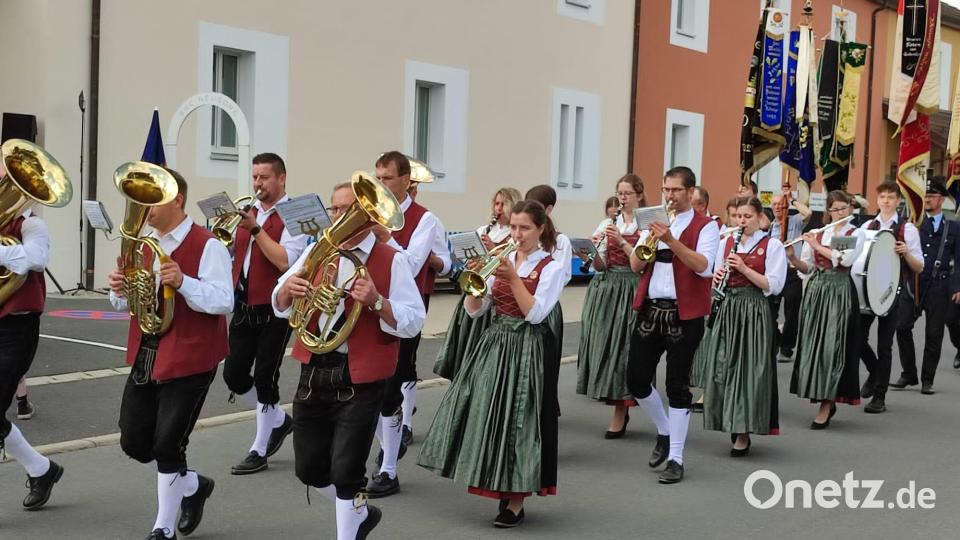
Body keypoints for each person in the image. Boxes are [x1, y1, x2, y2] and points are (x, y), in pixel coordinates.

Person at [273, 181, 424, 540]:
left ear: (369, 216)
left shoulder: (391, 259)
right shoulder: (317, 250)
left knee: (346, 471)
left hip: (360, 375)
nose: (338, 217)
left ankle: (348, 525)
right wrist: (288, 292)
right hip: (314, 368)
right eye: (335, 209)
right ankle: (360, 513)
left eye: (346, 210)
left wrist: (377, 301)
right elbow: (279, 301)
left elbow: (414, 320)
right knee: (309, 468)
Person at [418, 200, 566, 528]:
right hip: (495, 344)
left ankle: (515, 501)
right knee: (489, 415)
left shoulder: (552, 267)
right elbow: (475, 310)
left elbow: (535, 314)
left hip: (528, 348)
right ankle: (495, 479)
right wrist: (476, 279)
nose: (517, 234)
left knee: (520, 422)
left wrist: (512, 278)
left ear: (541, 229)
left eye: (525, 228)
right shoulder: (502, 259)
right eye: (513, 227)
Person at [108, 168, 233, 540]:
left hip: (191, 355)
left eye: (153, 200)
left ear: (177, 199)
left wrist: (183, 282)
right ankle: (192, 486)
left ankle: (162, 528)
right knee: (133, 441)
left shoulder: (207, 244)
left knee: (167, 444)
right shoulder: (144, 244)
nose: (144, 209)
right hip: (148, 350)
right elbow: (126, 305)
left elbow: (223, 300)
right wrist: (119, 289)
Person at [627, 166, 719, 484]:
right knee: (636, 379)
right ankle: (665, 430)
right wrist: (651, 238)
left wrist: (671, 240)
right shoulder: (654, 219)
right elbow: (635, 264)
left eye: (676, 190)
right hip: (651, 310)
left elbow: (704, 267)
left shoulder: (706, 226)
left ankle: (676, 458)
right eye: (666, 189)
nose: (670, 195)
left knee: (677, 386)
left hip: (685, 314)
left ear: (690, 192)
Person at [367, 151, 448, 497]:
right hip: (368, 302)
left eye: (386, 178)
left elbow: (414, 264)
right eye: (378, 177)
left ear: (405, 180)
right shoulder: (369, 209)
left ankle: (388, 469)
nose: (380, 184)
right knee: (368, 385)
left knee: (391, 386)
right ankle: (390, 441)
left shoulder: (425, 219)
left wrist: (384, 236)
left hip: (404, 306)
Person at [223, 153, 308, 475]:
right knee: (233, 374)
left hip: (276, 306)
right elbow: (235, 253)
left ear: (281, 178)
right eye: (255, 177)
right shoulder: (248, 211)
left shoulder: (294, 214)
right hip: (244, 303)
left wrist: (256, 229)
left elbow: (285, 261)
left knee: (265, 376)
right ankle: (279, 420)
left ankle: (259, 449)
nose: (258, 183)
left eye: (264, 177)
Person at [693, 196, 785, 456]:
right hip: (728, 309)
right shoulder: (725, 243)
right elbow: (713, 276)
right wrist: (717, 277)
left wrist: (743, 268)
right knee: (724, 366)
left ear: (759, 217)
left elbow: (773, 285)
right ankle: (728, 420)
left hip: (754, 311)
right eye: (737, 216)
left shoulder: (772, 245)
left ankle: (744, 429)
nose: (741, 221)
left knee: (749, 369)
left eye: (747, 216)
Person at [0, 183, 63, 511]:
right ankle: (41, 469)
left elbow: (36, 259)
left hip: (16, 329)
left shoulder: (32, 225)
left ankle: (42, 470)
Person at [787, 190, 863, 430]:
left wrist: (815, 244)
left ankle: (827, 403)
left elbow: (843, 260)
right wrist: (792, 257)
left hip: (839, 292)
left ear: (850, 208)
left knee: (833, 347)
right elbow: (807, 267)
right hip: (817, 291)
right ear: (828, 211)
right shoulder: (821, 232)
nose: (839, 213)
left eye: (843, 208)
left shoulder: (854, 233)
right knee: (814, 345)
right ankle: (819, 394)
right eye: (834, 209)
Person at [576, 174, 644, 437]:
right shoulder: (608, 222)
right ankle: (609, 395)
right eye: (619, 193)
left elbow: (641, 263)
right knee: (604, 345)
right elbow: (601, 265)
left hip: (632, 287)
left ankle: (621, 410)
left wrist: (622, 240)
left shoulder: (645, 224)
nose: (622, 198)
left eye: (627, 193)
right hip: (607, 289)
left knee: (625, 348)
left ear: (639, 195)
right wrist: (589, 253)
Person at [434, 187, 522, 380]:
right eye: (496, 204)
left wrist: (492, 249)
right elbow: (469, 261)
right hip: (475, 292)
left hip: (494, 297)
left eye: (503, 204)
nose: (498, 208)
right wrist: (470, 261)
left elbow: (514, 264)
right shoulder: (483, 231)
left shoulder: (515, 237)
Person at [857, 182, 923, 413]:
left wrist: (906, 253)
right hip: (867, 291)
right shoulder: (867, 226)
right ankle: (875, 371)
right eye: (882, 197)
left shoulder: (908, 229)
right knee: (857, 339)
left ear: (898, 201)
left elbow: (919, 266)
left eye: (891, 197)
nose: (886, 201)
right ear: (877, 200)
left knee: (885, 345)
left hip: (891, 292)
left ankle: (879, 397)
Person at [893, 177, 960, 395]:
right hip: (914, 282)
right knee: (902, 326)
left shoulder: (953, 227)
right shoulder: (912, 224)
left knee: (934, 334)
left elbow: (959, 261)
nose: (927, 199)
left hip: (940, 285)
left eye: (931, 196)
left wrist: (957, 287)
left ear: (941, 199)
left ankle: (927, 380)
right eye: (925, 196)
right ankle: (908, 373)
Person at [768, 186, 813, 362]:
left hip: (792, 270)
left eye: (781, 204)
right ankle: (776, 339)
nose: (778, 207)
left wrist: (792, 199)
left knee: (792, 311)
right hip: (774, 271)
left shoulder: (794, 221)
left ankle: (786, 349)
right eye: (774, 204)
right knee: (769, 311)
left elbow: (808, 213)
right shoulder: (770, 227)